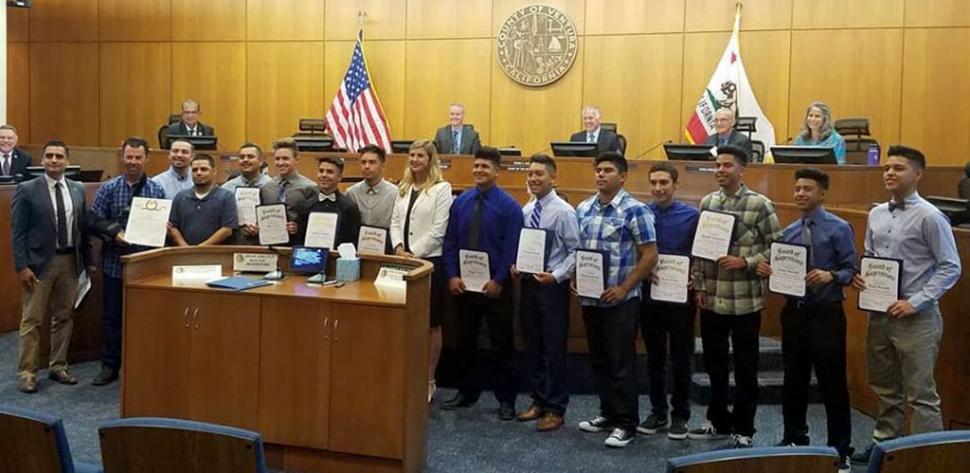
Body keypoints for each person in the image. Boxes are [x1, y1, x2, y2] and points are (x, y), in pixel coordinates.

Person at [850, 145, 962, 464]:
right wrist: (863, 278)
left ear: (917, 174)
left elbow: (950, 266)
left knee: (921, 394)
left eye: (898, 168)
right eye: (887, 167)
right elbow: (872, 256)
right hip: (880, 313)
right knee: (885, 387)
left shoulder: (930, 216)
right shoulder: (876, 213)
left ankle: (930, 456)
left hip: (917, 318)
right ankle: (884, 444)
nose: (889, 173)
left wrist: (915, 302)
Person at [755, 168, 857, 472]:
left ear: (822, 193)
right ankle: (793, 438)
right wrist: (768, 271)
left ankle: (841, 448)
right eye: (797, 188)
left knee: (832, 383)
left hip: (826, 314)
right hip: (795, 314)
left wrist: (831, 275)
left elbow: (852, 271)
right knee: (794, 378)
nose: (800, 193)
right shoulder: (788, 233)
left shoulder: (840, 228)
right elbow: (783, 271)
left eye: (807, 189)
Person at [689, 144, 782, 448]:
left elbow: (777, 247)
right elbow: (700, 251)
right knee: (714, 366)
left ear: (742, 170)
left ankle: (745, 428)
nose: (720, 170)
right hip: (713, 297)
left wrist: (748, 262)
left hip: (745, 300)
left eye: (727, 165)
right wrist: (699, 285)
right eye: (717, 165)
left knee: (745, 368)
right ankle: (717, 421)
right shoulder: (707, 202)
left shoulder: (760, 204)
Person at [575, 151, 658, 448]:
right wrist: (577, 278)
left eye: (608, 170)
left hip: (621, 300)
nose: (601, 175)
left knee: (621, 363)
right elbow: (580, 251)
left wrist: (624, 288)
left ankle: (626, 424)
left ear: (622, 177)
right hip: (591, 299)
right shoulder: (584, 208)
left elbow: (650, 256)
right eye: (598, 170)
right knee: (599, 361)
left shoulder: (635, 210)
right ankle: (608, 414)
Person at [441, 147, 523, 420]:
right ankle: (466, 392)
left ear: (497, 172)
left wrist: (498, 280)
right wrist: (452, 274)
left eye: (485, 167)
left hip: (496, 288)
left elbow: (512, 249)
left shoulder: (509, 206)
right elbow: (450, 242)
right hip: (464, 286)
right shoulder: (461, 202)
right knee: (464, 343)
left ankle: (506, 399)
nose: (478, 171)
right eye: (476, 166)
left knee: (502, 345)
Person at [11, 141, 94, 393]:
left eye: (59, 156)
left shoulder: (78, 189)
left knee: (64, 316)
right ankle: (27, 372)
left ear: (67, 161)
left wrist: (88, 262)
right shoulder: (27, 189)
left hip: (70, 261)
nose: (54, 160)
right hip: (38, 264)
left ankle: (58, 365)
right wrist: (22, 266)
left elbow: (83, 228)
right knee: (32, 320)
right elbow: (17, 233)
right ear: (43, 160)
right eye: (49, 156)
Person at [88, 137, 166, 386]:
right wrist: (114, 233)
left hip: (146, 268)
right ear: (122, 157)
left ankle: (140, 366)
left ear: (146, 158)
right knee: (112, 318)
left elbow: (162, 231)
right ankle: (110, 366)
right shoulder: (109, 188)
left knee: (144, 321)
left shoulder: (156, 190)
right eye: (129, 157)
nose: (133, 162)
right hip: (114, 265)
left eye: (138, 157)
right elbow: (91, 221)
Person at [511, 154, 580, 432]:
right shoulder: (527, 210)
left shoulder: (564, 212)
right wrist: (517, 265)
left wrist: (557, 276)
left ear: (553, 178)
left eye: (540, 174)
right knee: (534, 347)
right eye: (530, 174)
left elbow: (576, 252)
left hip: (552, 288)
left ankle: (556, 408)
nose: (533, 178)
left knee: (553, 349)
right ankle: (538, 400)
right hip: (529, 285)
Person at [637, 162, 699, 440]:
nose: (658, 188)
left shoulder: (691, 216)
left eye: (664, 183)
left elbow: (702, 254)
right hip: (650, 296)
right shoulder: (641, 214)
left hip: (681, 298)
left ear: (676, 184)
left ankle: (681, 415)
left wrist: (696, 275)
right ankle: (658, 411)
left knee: (681, 358)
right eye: (654, 183)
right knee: (654, 358)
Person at [390, 140, 453, 404]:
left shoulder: (441, 188)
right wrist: (398, 247)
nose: (415, 160)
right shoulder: (403, 187)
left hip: (428, 264)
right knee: (404, 320)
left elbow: (439, 230)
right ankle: (407, 375)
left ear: (430, 160)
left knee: (431, 324)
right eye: (412, 155)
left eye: (420, 156)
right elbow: (394, 221)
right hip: (402, 261)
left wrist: (413, 252)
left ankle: (429, 379)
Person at [168, 155, 237, 246]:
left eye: (204, 169)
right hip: (184, 254)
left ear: (214, 171)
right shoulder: (180, 197)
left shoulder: (226, 197)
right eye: (195, 170)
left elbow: (227, 230)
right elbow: (172, 227)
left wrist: (200, 248)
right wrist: (184, 247)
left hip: (215, 255)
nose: (199, 173)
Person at [293, 157, 361, 248]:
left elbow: (353, 240)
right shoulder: (306, 206)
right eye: (321, 171)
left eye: (330, 172)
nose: (324, 175)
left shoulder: (349, 207)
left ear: (339, 177)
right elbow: (300, 240)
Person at [222, 142, 280, 245]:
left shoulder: (274, 187)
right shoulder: (227, 188)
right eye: (242, 157)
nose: (245, 160)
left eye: (250, 157)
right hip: (235, 242)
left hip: (266, 242)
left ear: (261, 161)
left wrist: (262, 227)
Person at [346, 144, 397, 253]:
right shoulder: (351, 193)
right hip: (358, 249)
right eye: (363, 162)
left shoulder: (395, 194)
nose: (367, 166)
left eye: (372, 162)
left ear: (382, 165)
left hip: (387, 249)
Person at [271, 138, 319, 242]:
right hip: (270, 242)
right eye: (277, 159)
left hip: (298, 242)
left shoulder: (310, 188)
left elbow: (317, 220)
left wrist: (300, 227)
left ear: (296, 159)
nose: (280, 163)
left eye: (285, 158)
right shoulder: (266, 187)